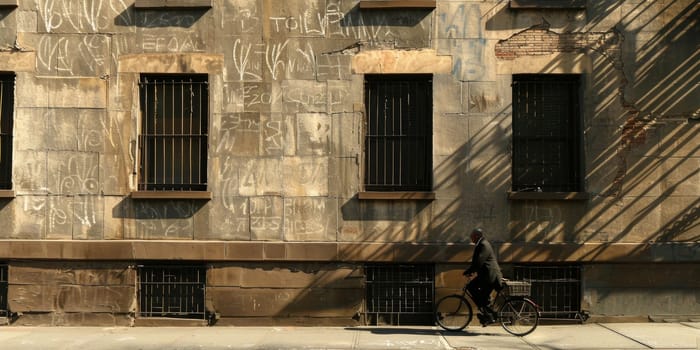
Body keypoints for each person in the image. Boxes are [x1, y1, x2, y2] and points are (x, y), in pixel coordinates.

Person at [463, 228, 503, 325]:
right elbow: (478, 262)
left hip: (490, 276)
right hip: (486, 275)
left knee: (475, 290)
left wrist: (469, 271)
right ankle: (487, 313)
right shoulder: (482, 244)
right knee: (475, 289)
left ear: (477, 236)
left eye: (472, 236)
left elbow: (479, 262)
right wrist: (472, 271)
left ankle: (489, 315)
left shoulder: (483, 245)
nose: (470, 238)